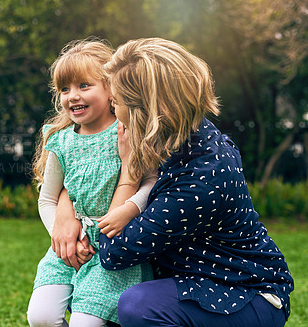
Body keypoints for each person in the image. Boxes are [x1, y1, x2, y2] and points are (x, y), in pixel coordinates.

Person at [53, 38, 294, 326]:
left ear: (146, 110)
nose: (112, 109)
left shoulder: (198, 182)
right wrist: (65, 209)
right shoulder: (181, 134)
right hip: (194, 278)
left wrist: (129, 172)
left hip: (243, 293)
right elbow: (85, 176)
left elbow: (113, 251)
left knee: (137, 306)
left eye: (116, 102)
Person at [27, 38, 153, 327]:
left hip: (113, 249)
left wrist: (131, 208)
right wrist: (64, 238)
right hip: (68, 247)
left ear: (111, 88)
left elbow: (149, 182)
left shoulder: (128, 132)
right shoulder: (60, 140)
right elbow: (48, 198)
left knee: (86, 322)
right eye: (64, 89)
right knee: (41, 317)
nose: (73, 95)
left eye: (84, 85)